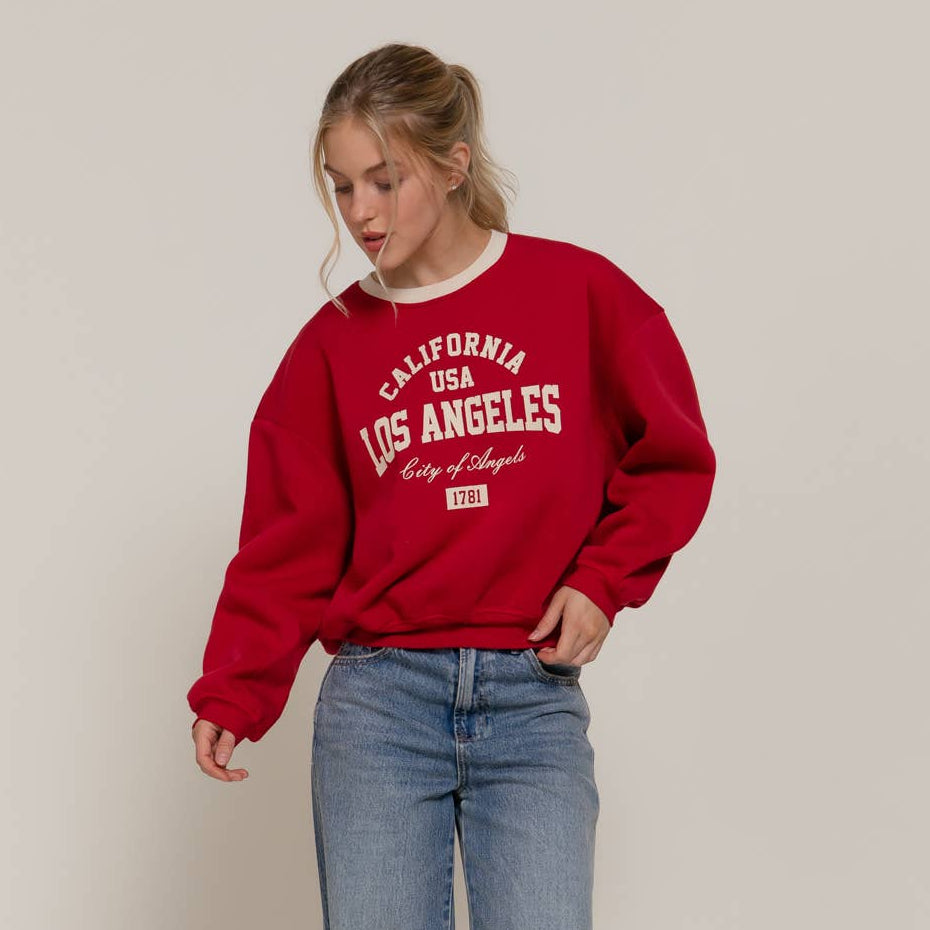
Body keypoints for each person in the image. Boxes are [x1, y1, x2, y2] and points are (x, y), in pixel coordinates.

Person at [187, 41, 716, 930]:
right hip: (378, 710)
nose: (360, 210)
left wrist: (602, 581)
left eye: (384, 180)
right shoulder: (330, 347)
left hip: (532, 698)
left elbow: (673, 458)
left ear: (454, 163)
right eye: (341, 185)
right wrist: (236, 688)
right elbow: (287, 543)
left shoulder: (580, 293)